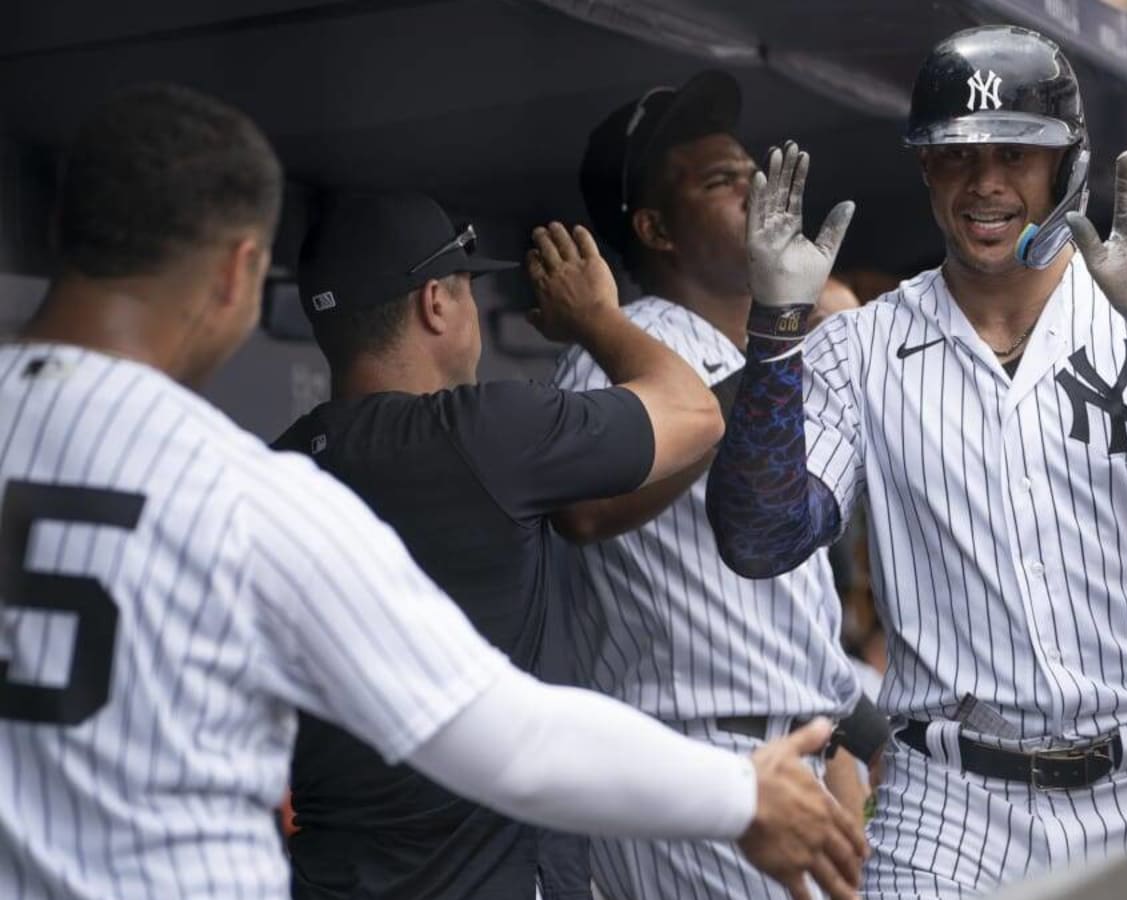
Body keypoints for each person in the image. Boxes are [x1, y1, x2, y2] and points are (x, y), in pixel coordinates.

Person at [0, 82, 866, 900]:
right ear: (236, 274)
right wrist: (735, 797)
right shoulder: (251, 488)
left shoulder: (286, 462)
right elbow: (503, 735)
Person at [705, 25, 1127, 898]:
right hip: (948, 796)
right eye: (958, 156)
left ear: (1067, 164)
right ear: (924, 169)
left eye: (1017, 153)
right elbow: (759, 540)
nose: (986, 182)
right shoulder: (862, 345)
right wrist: (774, 330)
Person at [270, 185, 734, 898]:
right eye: (465, 290)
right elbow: (695, 412)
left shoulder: (272, 476)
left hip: (333, 877)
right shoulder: (481, 433)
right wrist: (596, 319)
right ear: (434, 304)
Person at [553, 70, 888, 900]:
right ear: (655, 227)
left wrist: (867, 731)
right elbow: (585, 510)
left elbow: (794, 602)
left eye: (751, 171)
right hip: (691, 764)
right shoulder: (620, 345)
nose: (754, 189)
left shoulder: (763, 349)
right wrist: (786, 344)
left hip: (799, 750)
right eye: (719, 181)